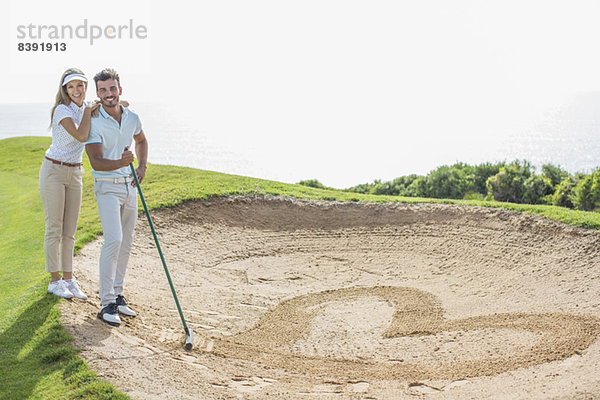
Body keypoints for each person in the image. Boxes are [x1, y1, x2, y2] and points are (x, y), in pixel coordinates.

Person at [85, 68, 148, 326]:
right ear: (97, 93)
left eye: (112, 89)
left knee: (126, 242)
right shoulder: (94, 121)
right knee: (113, 239)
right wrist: (120, 161)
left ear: (119, 89)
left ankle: (118, 295)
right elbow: (97, 162)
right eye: (103, 90)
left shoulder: (132, 116)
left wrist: (142, 167)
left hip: (129, 186)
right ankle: (106, 303)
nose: (108, 94)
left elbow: (142, 140)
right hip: (107, 187)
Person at [40, 68, 100, 300]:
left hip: (75, 173)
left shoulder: (87, 107)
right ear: (65, 89)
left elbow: (116, 103)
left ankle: (69, 278)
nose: (76, 90)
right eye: (71, 86)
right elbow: (81, 135)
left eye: (80, 85)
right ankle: (55, 281)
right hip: (53, 171)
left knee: (70, 232)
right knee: (54, 228)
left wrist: (102, 103)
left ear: (86, 87)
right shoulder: (62, 110)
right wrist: (88, 109)